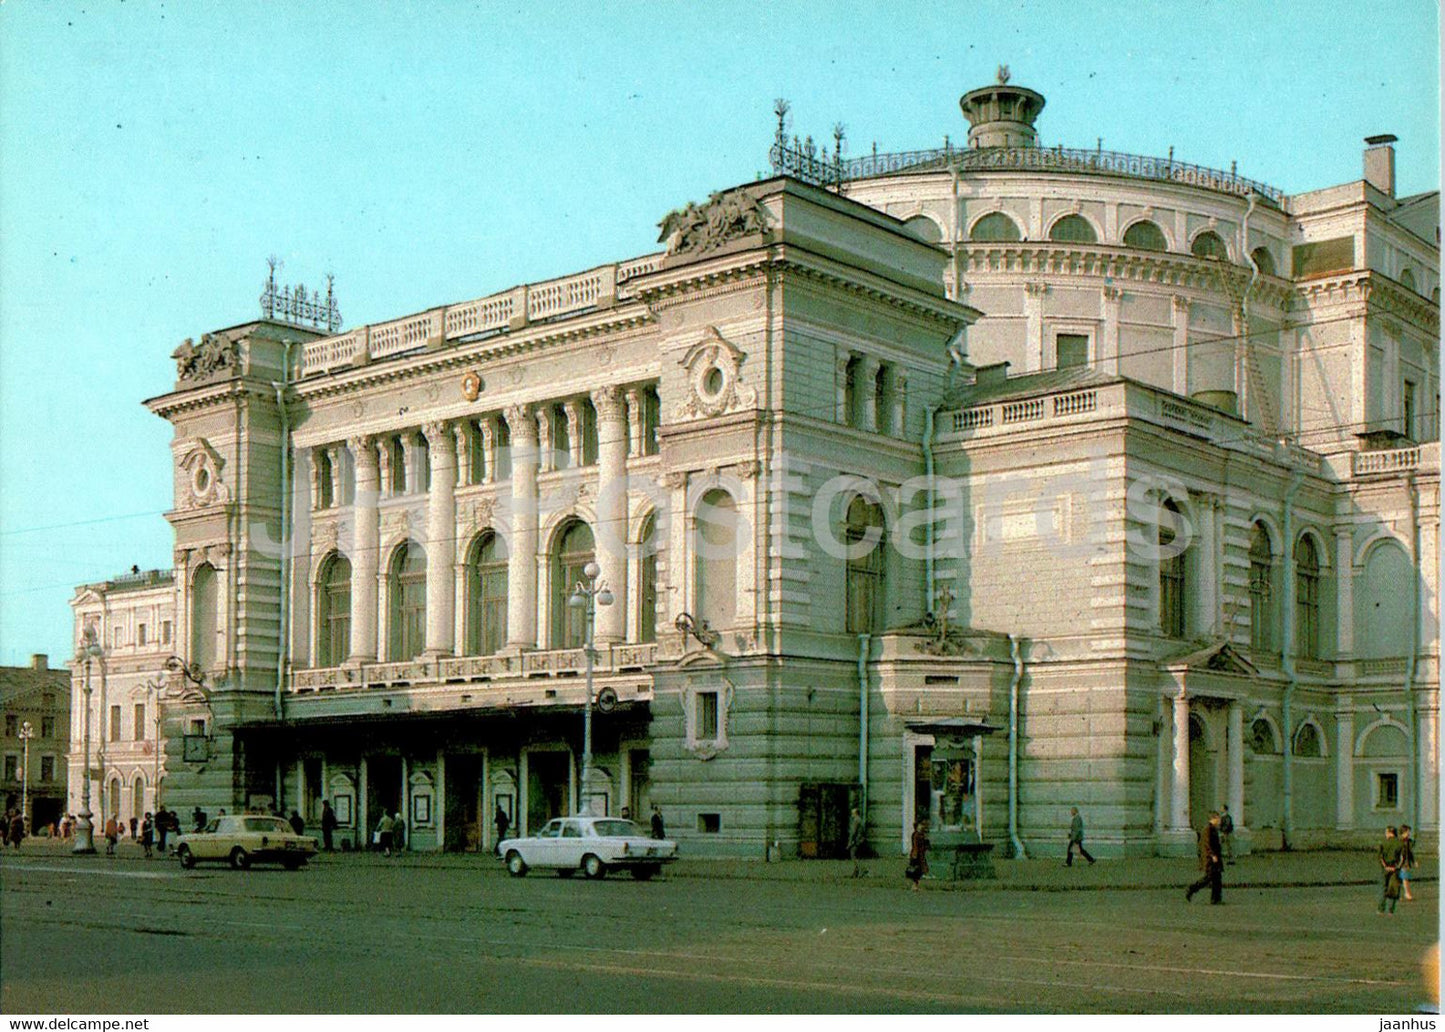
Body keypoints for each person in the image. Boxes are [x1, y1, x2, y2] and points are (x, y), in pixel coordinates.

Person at [1185, 811, 1224, 904]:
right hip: (1210, 859)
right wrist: (1212, 855)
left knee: (1217, 879)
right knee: (1209, 878)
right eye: (1218, 819)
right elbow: (1206, 844)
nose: (1219, 821)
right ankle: (1191, 889)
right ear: (1213, 819)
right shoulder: (1208, 829)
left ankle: (1216, 899)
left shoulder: (1213, 829)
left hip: (1215, 858)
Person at [1378, 825, 1404, 915]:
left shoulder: (1383, 843)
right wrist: (1396, 867)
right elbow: (1402, 858)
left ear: (1389, 833)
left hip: (1385, 868)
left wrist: (1385, 866)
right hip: (1395, 868)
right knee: (1393, 888)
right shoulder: (1400, 844)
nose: (1385, 834)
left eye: (1386, 832)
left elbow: (1380, 857)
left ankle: (1381, 909)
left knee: (1383, 888)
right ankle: (1390, 910)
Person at [906, 819, 930, 891]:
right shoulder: (916, 834)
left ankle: (916, 885)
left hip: (920, 854)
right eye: (920, 825)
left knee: (920, 870)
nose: (921, 826)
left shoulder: (921, 834)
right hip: (917, 854)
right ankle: (914, 885)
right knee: (916, 870)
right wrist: (915, 854)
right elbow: (915, 845)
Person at [1399, 825, 1416, 903]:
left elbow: (1410, 853)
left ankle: (1406, 893)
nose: (1409, 834)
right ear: (1403, 833)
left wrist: (1413, 861)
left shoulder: (1408, 842)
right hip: (1399, 863)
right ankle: (1406, 893)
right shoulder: (1399, 842)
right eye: (1407, 832)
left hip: (1405, 863)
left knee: (1405, 878)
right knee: (1403, 878)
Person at [847, 807, 866, 877]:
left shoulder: (856, 820)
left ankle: (862, 870)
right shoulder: (861, 820)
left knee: (853, 855)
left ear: (856, 813)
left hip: (857, 841)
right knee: (857, 855)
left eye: (853, 813)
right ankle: (856, 872)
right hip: (861, 840)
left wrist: (850, 842)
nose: (852, 814)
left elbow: (853, 832)